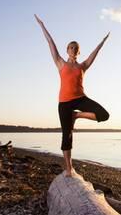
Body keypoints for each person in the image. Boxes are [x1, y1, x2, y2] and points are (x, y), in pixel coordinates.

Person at [34, 14, 110, 177]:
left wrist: (102, 43)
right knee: (67, 136)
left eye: (76, 48)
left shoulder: (83, 66)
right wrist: (42, 25)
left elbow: (93, 55)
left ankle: (77, 115)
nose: (73, 49)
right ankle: (69, 169)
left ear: (78, 51)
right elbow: (50, 42)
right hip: (64, 102)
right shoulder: (60, 63)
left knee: (104, 115)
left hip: (81, 98)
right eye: (70, 47)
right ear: (67, 50)